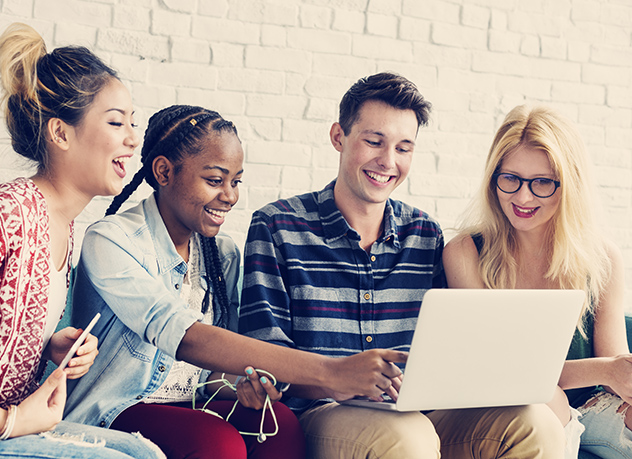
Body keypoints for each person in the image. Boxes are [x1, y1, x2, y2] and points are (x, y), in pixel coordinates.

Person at [239, 72, 566, 458]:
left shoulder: (424, 233)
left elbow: (452, 351)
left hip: (420, 414)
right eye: (374, 142)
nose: (387, 161)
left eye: (403, 148)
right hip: (323, 411)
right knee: (406, 436)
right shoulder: (277, 225)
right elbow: (265, 355)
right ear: (338, 137)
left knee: (536, 424)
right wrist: (337, 378)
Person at [63, 104, 408, 459]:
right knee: (216, 442)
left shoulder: (221, 254)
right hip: (115, 409)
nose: (229, 196)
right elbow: (184, 336)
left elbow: (208, 375)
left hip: (191, 403)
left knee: (281, 424)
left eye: (235, 181)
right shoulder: (111, 240)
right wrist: (330, 372)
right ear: (164, 171)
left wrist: (244, 385)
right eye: (215, 180)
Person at [0, 23, 163, 459]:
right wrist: (3, 420)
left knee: (147, 455)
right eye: (116, 122)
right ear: (61, 134)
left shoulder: (63, 227)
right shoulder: (1, 215)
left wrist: (51, 345)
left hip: (4, 426)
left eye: (132, 123)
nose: (133, 138)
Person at [442, 105, 630, 459]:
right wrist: (603, 370)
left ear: (568, 184)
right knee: (545, 397)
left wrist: (617, 372)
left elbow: (614, 372)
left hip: (590, 408)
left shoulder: (602, 258)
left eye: (542, 182)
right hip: (514, 412)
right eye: (510, 178)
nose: (523, 197)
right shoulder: (466, 252)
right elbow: (501, 373)